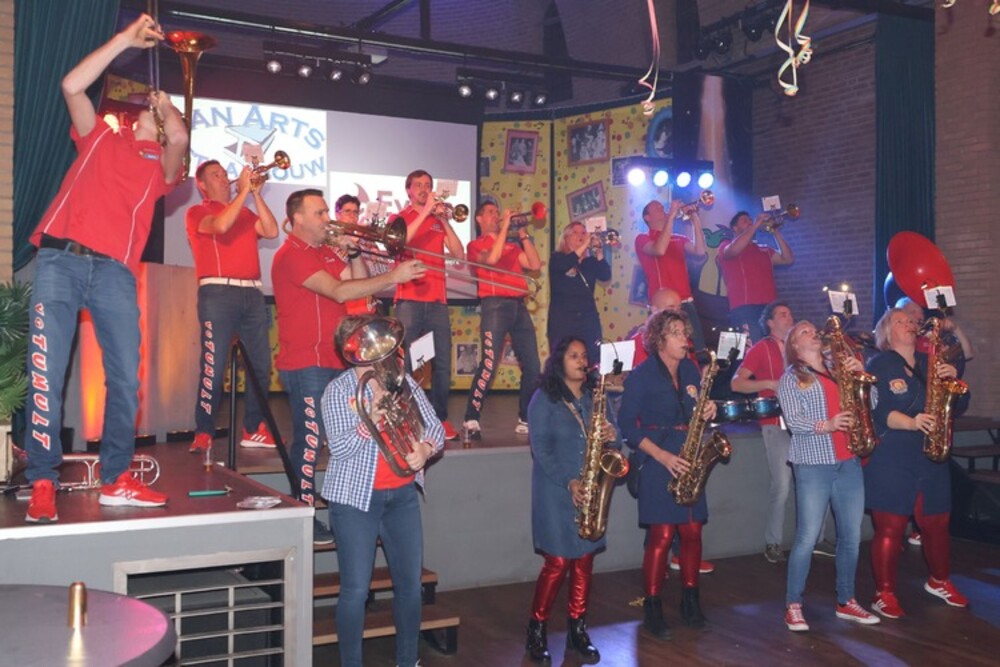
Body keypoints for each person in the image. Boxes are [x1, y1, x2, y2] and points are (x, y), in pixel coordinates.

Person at [24, 15, 187, 523]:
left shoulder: (160, 171)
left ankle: (117, 477)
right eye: (148, 111)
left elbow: (179, 140)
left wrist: (170, 109)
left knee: (124, 379)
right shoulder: (100, 138)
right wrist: (124, 40)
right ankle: (43, 480)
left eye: (157, 116)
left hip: (115, 272)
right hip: (60, 260)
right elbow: (72, 85)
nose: (149, 114)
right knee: (47, 372)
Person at [272, 189, 424, 544]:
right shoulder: (290, 254)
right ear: (297, 219)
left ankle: (350, 511)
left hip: (335, 360)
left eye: (327, 211)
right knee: (310, 441)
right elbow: (340, 292)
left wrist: (355, 251)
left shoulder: (323, 251)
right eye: (320, 213)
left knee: (343, 437)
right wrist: (394, 276)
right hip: (306, 361)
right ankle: (303, 516)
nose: (328, 218)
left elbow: (358, 285)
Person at [320, 315, 445, 667]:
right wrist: (369, 420)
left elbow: (435, 427)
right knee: (356, 590)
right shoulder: (338, 391)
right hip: (354, 501)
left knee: (409, 586)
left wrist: (425, 449)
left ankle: (408, 660)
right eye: (364, 346)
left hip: (401, 496)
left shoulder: (399, 381)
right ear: (350, 353)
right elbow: (340, 449)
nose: (374, 354)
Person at [863, 308, 970, 620]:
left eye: (912, 320)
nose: (910, 324)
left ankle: (939, 580)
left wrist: (954, 379)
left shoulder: (929, 362)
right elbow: (877, 411)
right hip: (893, 455)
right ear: (886, 332)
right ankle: (883, 593)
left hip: (930, 454)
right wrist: (912, 422)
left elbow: (959, 403)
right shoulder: (879, 364)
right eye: (901, 321)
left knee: (937, 523)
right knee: (891, 527)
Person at [619, 311, 718, 637]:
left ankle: (691, 602)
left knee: (692, 532)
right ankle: (653, 608)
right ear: (659, 339)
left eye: (684, 332)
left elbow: (694, 408)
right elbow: (627, 427)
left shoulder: (690, 369)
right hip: (657, 458)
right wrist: (663, 457)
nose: (684, 339)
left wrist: (708, 408)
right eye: (676, 333)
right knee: (661, 537)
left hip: (687, 457)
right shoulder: (642, 376)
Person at [777, 320, 881, 632]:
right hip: (813, 464)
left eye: (813, 329)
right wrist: (829, 424)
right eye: (804, 331)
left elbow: (873, 402)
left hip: (848, 460)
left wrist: (860, 375)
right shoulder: (791, 378)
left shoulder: (839, 368)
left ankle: (846, 600)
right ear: (794, 345)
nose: (813, 333)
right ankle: (793, 605)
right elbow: (794, 421)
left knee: (851, 536)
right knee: (807, 537)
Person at [524, 337, 621, 664]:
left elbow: (617, 438)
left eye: (584, 356)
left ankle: (578, 630)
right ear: (559, 362)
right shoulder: (544, 399)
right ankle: (537, 629)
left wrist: (612, 435)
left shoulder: (596, 397)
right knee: (557, 564)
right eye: (573, 356)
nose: (581, 361)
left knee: (584, 562)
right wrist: (569, 481)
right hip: (556, 491)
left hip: (590, 489)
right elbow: (541, 449)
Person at [185, 159, 279, 454]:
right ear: (202, 185)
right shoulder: (197, 211)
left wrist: (255, 193)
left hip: (252, 294)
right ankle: (204, 430)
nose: (225, 178)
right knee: (213, 367)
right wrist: (244, 192)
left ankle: (253, 428)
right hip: (218, 293)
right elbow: (221, 225)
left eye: (226, 174)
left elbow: (272, 230)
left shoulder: (246, 212)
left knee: (261, 366)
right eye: (216, 175)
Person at [392, 170, 466, 441]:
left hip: (437, 302)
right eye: (419, 185)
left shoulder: (436, 220)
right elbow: (401, 242)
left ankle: (439, 418)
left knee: (442, 364)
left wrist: (444, 221)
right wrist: (426, 212)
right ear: (408, 190)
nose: (424, 189)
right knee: (407, 365)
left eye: (428, 185)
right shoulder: (399, 218)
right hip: (409, 301)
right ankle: (408, 419)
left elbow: (458, 254)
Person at [462, 202, 542, 438]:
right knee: (489, 364)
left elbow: (535, 265)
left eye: (498, 212)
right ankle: (471, 418)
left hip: (519, 306)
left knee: (533, 365)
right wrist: (506, 226)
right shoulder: (475, 245)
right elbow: (492, 259)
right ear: (479, 219)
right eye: (491, 212)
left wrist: (523, 233)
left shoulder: (511, 246)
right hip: (494, 305)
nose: (496, 215)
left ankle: (525, 417)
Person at [731, 302, 795, 564]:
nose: (789, 317)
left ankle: (817, 539)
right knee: (782, 485)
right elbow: (737, 383)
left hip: (804, 424)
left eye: (790, 313)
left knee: (813, 483)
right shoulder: (761, 348)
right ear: (769, 322)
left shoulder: (798, 347)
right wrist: (768, 383)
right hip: (775, 422)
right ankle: (773, 542)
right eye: (783, 314)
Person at [634, 199, 708, 350]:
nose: (661, 207)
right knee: (666, 348)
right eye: (656, 207)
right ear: (647, 217)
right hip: (663, 306)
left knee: (698, 349)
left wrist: (694, 218)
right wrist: (672, 215)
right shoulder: (642, 239)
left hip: (686, 302)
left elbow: (700, 251)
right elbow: (659, 249)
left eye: (662, 206)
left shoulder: (679, 238)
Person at [717, 211, 794, 344]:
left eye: (750, 220)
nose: (749, 222)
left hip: (769, 308)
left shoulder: (764, 249)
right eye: (744, 221)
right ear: (734, 228)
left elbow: (788, 259)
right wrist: (756, 224)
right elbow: (733, 251)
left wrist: (776, 233)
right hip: (744, 307)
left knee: (775, 346)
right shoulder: (725, 245)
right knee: (748, 349)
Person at [547, 222, 611, 364]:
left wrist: (599, 251)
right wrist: (586, 243)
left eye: (583, 232)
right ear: (566, 238)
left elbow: (605, 275)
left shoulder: (589, 262)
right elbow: (566, 264)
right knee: (563, 360)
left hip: (588, 319)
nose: (581, 236)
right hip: (564, 320)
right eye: (575, 233)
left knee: (592, 359)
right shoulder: (557, 258)